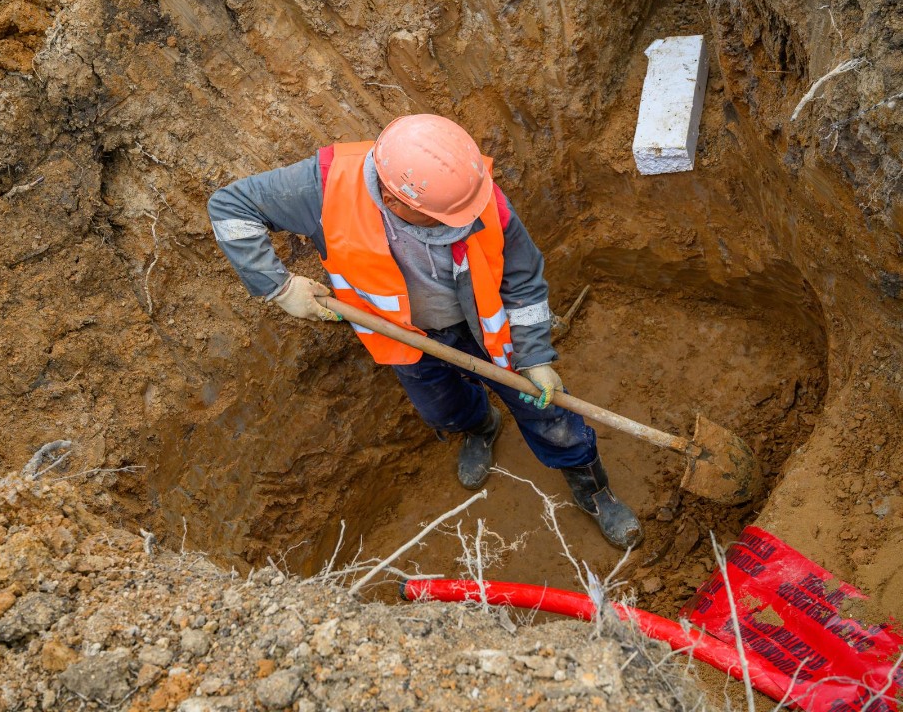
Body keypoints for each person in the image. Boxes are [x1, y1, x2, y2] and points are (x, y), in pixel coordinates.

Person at [207, 114, 643, 550]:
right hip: (403, 336)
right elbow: (229, 207)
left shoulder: (472, 194)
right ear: (395, 199)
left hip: (486, 330)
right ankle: (480, 426)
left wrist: (536, 357)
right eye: (442, 221)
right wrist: (279, 287)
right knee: (442, 412)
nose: (460, 225)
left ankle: (593, 488)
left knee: (549, 415)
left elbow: (524, 282)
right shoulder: (325, 186)